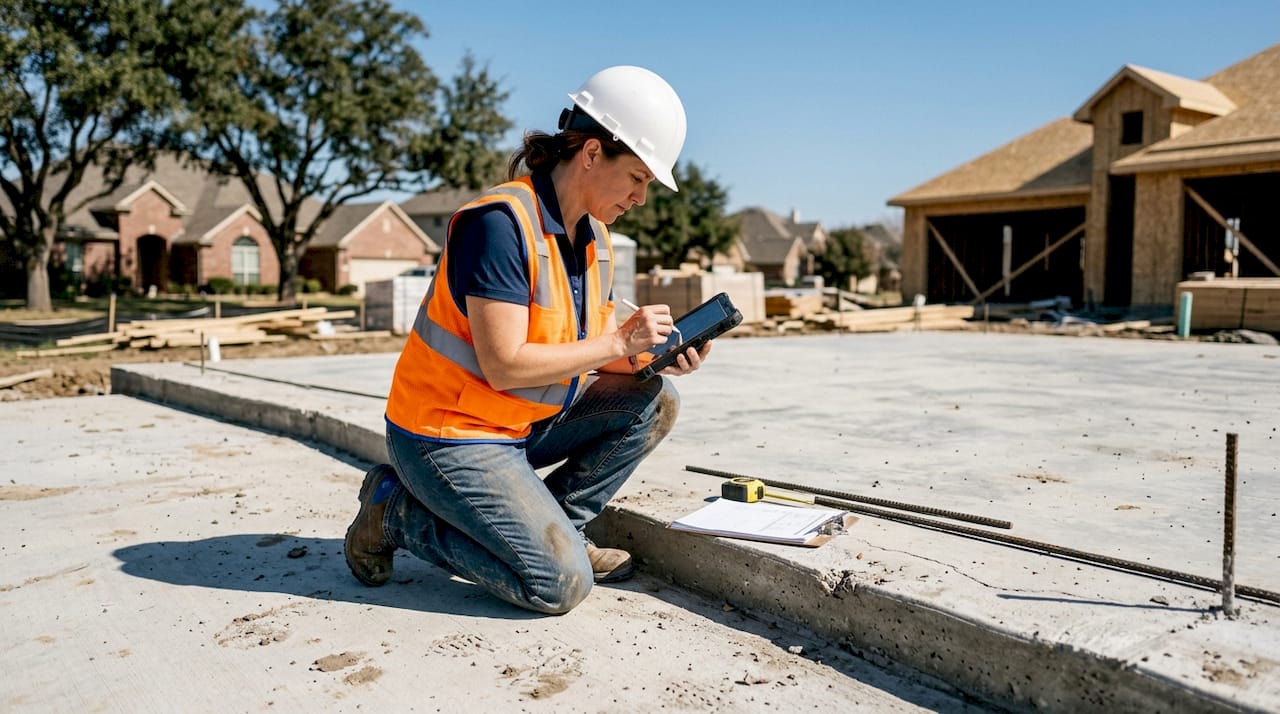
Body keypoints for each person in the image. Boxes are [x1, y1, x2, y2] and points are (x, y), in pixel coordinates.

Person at [343, 65, 710, 614]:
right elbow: (505, 364)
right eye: (636, 177)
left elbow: (575, 352)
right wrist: (620, 342)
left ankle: (564, 528)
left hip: (518, 426)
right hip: (445, 435)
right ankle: (393, 511)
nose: (641, 196)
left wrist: (648, 361)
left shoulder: (595, 239)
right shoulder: (499, 224)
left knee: (655, 399)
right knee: (559, 585)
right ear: (591, 153)